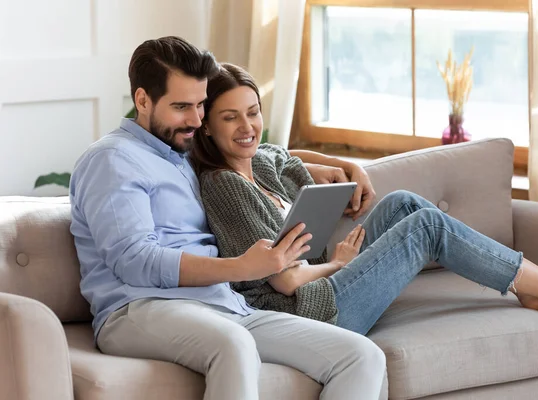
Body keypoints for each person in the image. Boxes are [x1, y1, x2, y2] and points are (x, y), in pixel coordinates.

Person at [69, 36, 389, 400]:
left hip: (223, 305)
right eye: (180, 107)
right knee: (234, 344)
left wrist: (340, 165)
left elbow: (262, 151)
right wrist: (242, 267)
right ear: (142, 100)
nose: (194, 119)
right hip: (139, 308)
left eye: (200, 105)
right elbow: (135, 261)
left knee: (361, 355)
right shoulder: (113, 159)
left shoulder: (180, 151)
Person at [192, 62, 538, 337]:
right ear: (206, 125)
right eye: (230, 117)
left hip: (326, 279)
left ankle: (531, 287)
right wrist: (338, 263)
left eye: (253, 112)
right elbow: (282, 279)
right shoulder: (225, 184)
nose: (247, 127)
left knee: (403, 202)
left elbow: (285, 153)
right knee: (425, 226)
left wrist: (347, 167)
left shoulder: (259, 161)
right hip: (309, 309)